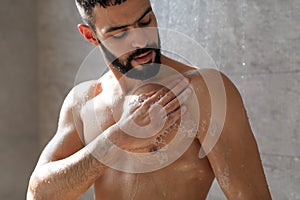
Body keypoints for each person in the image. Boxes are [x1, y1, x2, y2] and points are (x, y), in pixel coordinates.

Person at [27, 0, 272, 199]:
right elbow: (39, 194)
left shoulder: (203, 91)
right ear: (91, 36)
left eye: (145, 21)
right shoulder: (84, 101)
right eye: (121, 33)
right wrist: (116, 139)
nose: (141, 41)